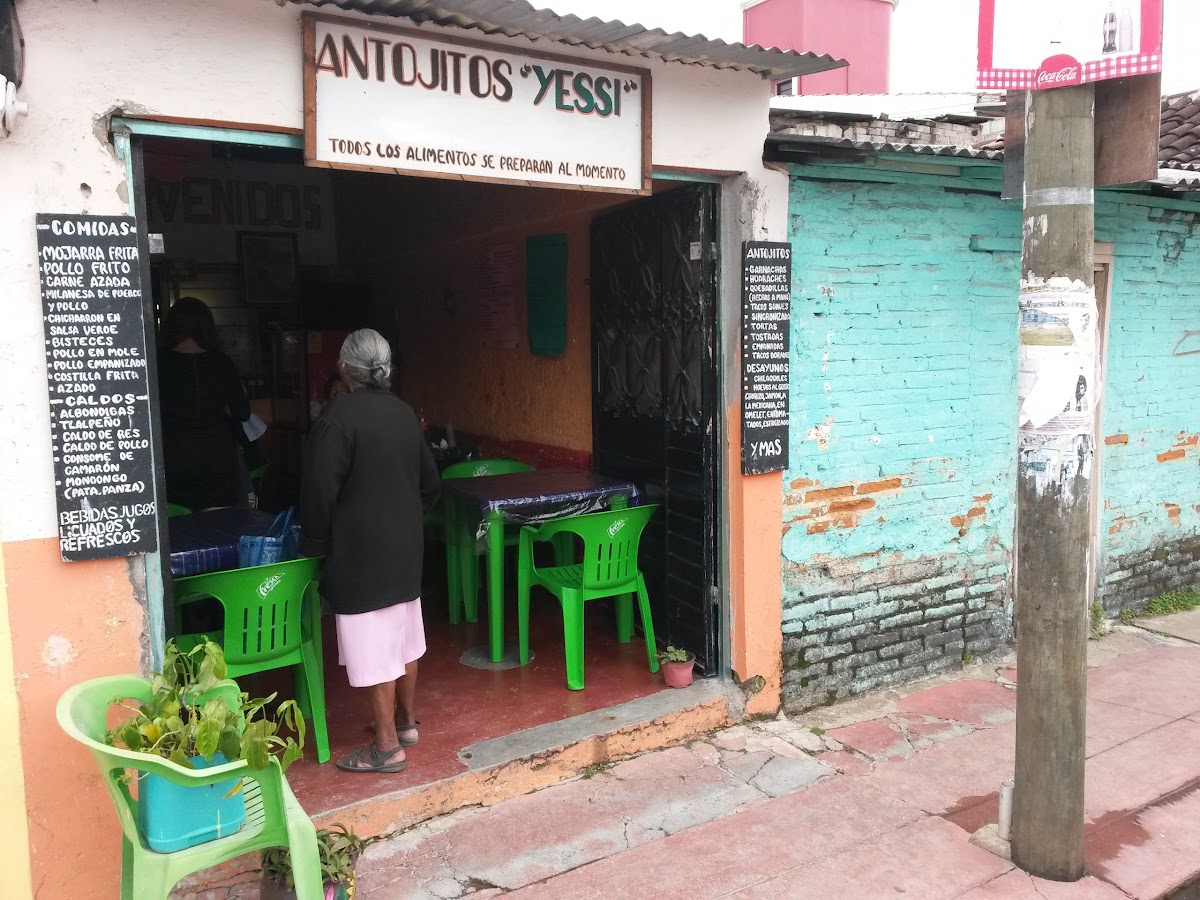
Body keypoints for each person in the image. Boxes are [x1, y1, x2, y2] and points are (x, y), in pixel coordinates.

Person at [300, 329, 440, 774]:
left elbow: (318, 493)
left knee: (373, 643)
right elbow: (430, 485)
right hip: (405, 547)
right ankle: (405, 723)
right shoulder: (404, 413)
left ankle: (386, 748)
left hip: (360, 553)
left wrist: (314, 547)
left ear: (344, 368)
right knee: (404, 636)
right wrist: (405, 519)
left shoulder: (337, 419)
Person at [157, 297, 251, 511]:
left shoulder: (158, 363)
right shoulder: (222, 362)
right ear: (207, 327)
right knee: (216, 525)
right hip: (217, 459)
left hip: (173, 458)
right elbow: (243, 412)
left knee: (178, 525)